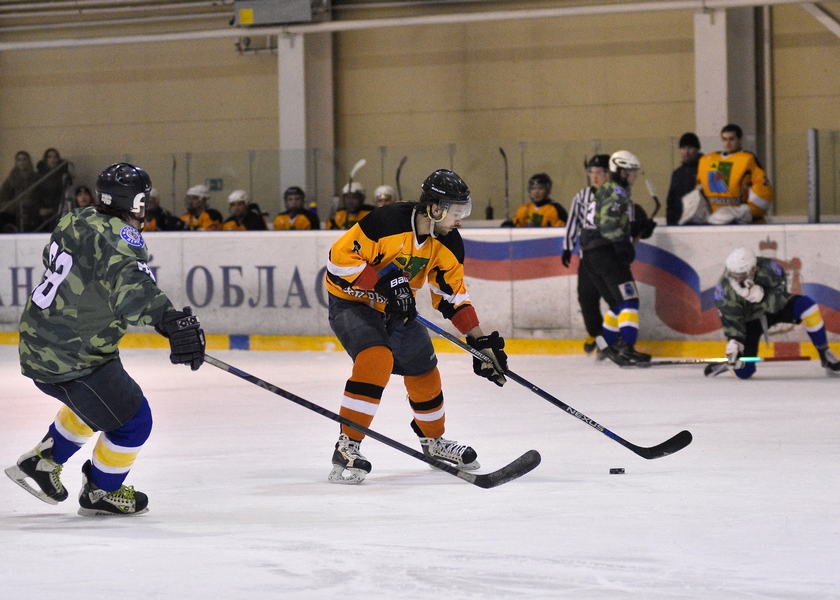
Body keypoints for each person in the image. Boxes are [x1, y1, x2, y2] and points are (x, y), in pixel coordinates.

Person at [5, 163, 206, 516]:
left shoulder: (76, 218)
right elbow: (132, 287)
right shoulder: (121, 237)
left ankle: (43, 462)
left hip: (42, 339)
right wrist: (168, 319)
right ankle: (101, 491)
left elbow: (65, 263)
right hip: (73, 356)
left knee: (98, 406)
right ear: (135, 202)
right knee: (135, 421)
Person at [324, 169, 509, 484]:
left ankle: (433, 442)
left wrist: (479, 343)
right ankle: (347, 445)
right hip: (352, 301)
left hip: (396, 308)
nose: (460, 220)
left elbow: (452, 297)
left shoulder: (449, 243)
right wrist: (383, 282)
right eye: (456, 212)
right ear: (435, 209)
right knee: (376, 358)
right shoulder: (385, 222)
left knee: (423, 367)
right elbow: (338, 262)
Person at [706, 247, 840, 379]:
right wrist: (735, 344)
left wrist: (763, 295)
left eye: (741, 275)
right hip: (750, 321)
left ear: (753, 269)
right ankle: (730, 363)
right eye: (733, 274)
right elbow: (732, 322)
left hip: (773, 310)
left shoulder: (770, 268)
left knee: (807, 306)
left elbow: (781, 298)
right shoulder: (725, 290)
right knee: (744, 373)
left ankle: (824, 353)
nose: (737, 279)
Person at [578, 151, 654, 366]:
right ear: (621, 171)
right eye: (632, 172)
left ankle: (607, 347)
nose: (635, 176)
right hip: (605, 253)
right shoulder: (617, 191)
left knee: (617, 303)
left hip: (591, 255)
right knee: (629, 300)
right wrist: (622, 244)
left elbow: (605, 220)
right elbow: (609, 225)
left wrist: (636, 227)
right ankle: (627, 347)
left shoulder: (605, 190)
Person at [563, 155, 611, 355]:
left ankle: (614, 338)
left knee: (613, 299)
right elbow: (574, 221)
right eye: (591, 172)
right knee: (586, 297)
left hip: (611, 257)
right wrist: (568, 247)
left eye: (598, 172)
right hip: (588, 257)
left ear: (608, 173)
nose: (594, 176)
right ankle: (597, 335)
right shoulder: (581, 196)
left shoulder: (617, 195)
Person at [681, 124, 774, 225]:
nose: (727, 143)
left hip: (746, 223)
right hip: (716, 221)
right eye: (724, 139)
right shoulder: (709, 160)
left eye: (731, 139)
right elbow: (700, 188)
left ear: (740, 139)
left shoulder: (748, 159)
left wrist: (747, 212)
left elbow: (763, 189)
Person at [33, 148, 73, 232]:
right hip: (42, 209)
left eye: (55, 157)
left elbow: (65, 193)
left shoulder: (63, 174)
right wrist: (39, 208)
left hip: (57, 209)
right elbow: (36, 194)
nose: (53, 159)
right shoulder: (39, 175)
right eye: (50, 157)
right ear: (45, 159)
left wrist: (53, 209)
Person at [665, 133, 702, 225]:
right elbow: (671, 202)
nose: (686, 152)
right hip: (679, 224)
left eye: (690, 148)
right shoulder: (677, 173)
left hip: (700, 224)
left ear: (697, 149)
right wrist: (670, 224)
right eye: (683, 148)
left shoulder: (705, 170)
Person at [0, 150, 39, 233]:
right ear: (16, 162)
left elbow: (37, 197)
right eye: (19, 160)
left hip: (30, 209)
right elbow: (3, 197)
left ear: (29, 161)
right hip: (13, 209)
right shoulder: (11, 178)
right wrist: (14, 205)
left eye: (24, 159)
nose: (22, 162)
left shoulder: (35, 178)